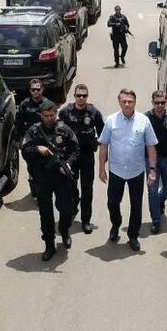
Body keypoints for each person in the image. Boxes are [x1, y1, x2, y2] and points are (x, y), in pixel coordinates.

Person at [98, 88, 158, 251]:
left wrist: (152, 170)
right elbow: (104, 144)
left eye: (130, 101)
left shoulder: (143, 121)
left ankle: (133, 235)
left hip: (136, 171)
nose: (127, 104)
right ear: (119, 102)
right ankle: (116, 224)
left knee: (136, 205)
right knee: (112, 203)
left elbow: (151, 147)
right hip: (116, 171)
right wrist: (101, 168)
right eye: (124, 101)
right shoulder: (111, 120)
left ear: (134, 102)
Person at [21, 100, 79, 261]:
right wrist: (37, 149)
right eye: (46, 115)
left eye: (52, 115)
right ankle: (49, 245)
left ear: (56, 114)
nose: (49, 118)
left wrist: (67, 163)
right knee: (45, 213)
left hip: (61, 176)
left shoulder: (63, 130)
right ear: (41, 115)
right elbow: (24, 150)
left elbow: (75, 149)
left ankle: (64, 230)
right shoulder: (34, 131)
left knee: (66, 209)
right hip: (42, 178)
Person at [58, 83, 104, 234]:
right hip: (71, 155)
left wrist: (102, 149)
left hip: (87, 155)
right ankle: (73, 207)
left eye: (84, 95)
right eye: (79, 95)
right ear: (74, 96)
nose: (82, 98)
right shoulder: (65, 112)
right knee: (70, 186)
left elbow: (103, 133)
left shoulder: (93, 113)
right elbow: (58, 132)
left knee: (87, 189)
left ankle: (86, 220)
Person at [144, 90, 167, 234]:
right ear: (152, 102)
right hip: (150, 160)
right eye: (157, 102)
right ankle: (156, 220)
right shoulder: (146, 118)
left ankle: (161, 200)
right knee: (152, 190)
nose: (159, 105)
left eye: (162, 102)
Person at [15, 79, 50, 199]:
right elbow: (19, 122)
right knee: (32, 168)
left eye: (38, 89)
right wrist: (18, 139)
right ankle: (35, 191)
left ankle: (44, 191)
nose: (36, 91)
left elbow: (54, 122)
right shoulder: (25, 104)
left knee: (46, 167)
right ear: (30, 91)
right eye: (33, 89)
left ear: (42, 89)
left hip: (45, 141)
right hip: (30, 142)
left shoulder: (48, 104)